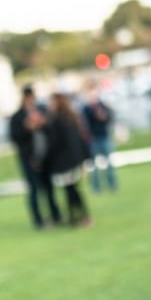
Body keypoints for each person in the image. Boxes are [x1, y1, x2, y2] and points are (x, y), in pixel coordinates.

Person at [9, 86, 62, 229]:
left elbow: (51, 131)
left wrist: (42, 124)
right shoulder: (17, 117)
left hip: (45, 157)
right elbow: (15, 138)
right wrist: (27, 128)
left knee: (49, 188)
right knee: (34, 190)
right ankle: (38, 220)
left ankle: (56, 215)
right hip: (29, 159)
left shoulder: (41, 111)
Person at [43, 92, 92, 227]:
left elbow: (54, 143)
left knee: (70, 190)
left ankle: (76, 217)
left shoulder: (57, 120)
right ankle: (80, 216)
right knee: (73, 189)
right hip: (74, 159)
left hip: (64, 161)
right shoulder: (71, 117)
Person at [82, 85, 118, 193]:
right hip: (93, 139)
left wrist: (104, 117)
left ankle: (112, 185)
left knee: (109, 163)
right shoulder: (86, 109)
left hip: (104, 137)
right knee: (94, 166)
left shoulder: (103, 106)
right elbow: (85, 123)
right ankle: (96, 187)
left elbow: (110, 117)